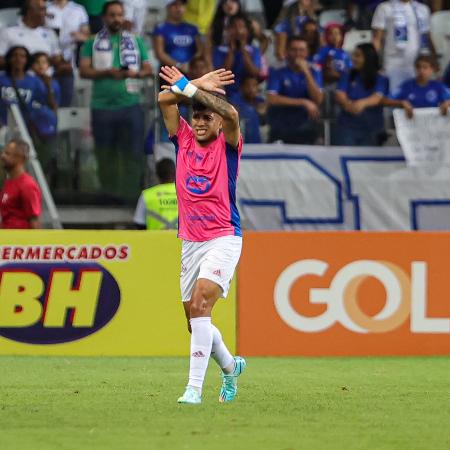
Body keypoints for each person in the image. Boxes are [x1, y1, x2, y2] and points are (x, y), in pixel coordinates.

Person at [158, 65, 246, 405]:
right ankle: (230, 367)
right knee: (195, 322)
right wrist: (196, 84)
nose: (199, 122)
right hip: (190, 241)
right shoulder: (182, 138)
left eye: (207, 117)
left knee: (200, 305)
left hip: (224, 236)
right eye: (196, 117)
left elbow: (232, 111)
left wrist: (189, 87)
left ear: (219, 124)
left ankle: (193, 390)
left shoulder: (228, 146)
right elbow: (165, 100)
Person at [79, 0, 152, 203]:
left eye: (119, 14)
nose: (116, 19)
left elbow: (148, 69)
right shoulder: (91, 42)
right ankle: (108, 195)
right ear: (104, 18)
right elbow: (84, 70)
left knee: (132, 152)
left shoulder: (135, 41)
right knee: (105, 153)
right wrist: (106, 72)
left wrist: (133, 73)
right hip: (102, 106)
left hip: (130, 105)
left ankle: (130, 196)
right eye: (112, 15)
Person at [372, 0, 436, 95]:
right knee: (394, 94)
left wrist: (434, 56)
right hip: (393, 62)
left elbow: (427, 36)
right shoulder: (385, 8)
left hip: (417, 62)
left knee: (417, 95)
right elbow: (377, 39)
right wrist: (374, 62)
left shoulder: (422, 9)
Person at [267, 36, 323, 144]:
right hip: (281, 122)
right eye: (294, 50)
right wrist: (303, 102)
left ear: (307, 52)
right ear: (287, 51)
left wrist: (306, 72)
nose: (298, 54)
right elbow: (272, 99)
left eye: (301, 50)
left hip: (306, 124)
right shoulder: (277, 69)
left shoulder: (315, 70)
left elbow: (318, 99)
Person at [0, 0, 72, 80]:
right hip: (19, 80)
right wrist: (24, 64)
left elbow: (57, 57)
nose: (45, 13)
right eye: (42, 9)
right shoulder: (8, 32)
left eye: (45, 9)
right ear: (30, 11)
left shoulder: (50, 34)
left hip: (44, 80)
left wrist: (60, 63)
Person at [333, 43, 389, 146]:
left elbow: (377, 97)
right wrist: (348, 105)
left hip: (371, 129)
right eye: (354, 55)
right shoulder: (348, 74)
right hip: (347, 128)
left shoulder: (380, 77)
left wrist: (361, 103)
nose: (353, 58)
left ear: (368, 58)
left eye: (358, 56)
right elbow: (339, 94)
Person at [46, 0, 90, 105]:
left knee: (66, 100)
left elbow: (86, 36)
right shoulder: (45, 7)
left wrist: (81, 36)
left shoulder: (79, 9)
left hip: (69, 62)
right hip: (47, 61)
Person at [212, 14, 264, 97]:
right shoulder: (219, 50)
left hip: (245, 95)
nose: (238, 30)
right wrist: (231, 51)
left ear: (248, 31)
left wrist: (243, 49)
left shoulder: (254, 50)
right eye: (233, 27)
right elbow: (220, 75)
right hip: (224, 93)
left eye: (241, 27)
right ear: (227, 30)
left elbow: (254, 73)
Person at [383, 54, 450, 117]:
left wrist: (447, 103)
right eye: (418, 67)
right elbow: (385, 101)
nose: (421, 71)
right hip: (412, 127)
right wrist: (401, 103)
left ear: (432, 69)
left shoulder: (438, 86)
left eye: (425, 67)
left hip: (433, 127)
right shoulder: (406, 86)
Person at [153, 0, 203, 75]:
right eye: (174, 5)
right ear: (168, 7)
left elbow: (200, 51)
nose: (178, 8)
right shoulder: (161, 28)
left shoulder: (193, 28)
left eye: (182, 4)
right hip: (169, 74)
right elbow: (159, 53)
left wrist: (190, 64)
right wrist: (179, 65)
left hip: (191, 73)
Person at [0, 139, 41, 229]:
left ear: (20, 158)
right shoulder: (8, 182)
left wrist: (36, 242)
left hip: (20, 241)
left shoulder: (27, 185)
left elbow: (34, 220)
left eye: (7, 154)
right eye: (3, 153)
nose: (2, 156)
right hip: (7, 241)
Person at [133, 158, 177, 230]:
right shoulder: (187, 194)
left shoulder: (147, 195)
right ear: (175, 173)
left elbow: (139, 224)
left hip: (155, 240)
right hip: (180, 240)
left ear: (157, 175)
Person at [232, 76, 266, 143]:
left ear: (258, 88)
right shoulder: (235, 101)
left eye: (254, 85)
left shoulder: (261, 101)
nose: (251, 89)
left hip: (258, 143)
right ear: (241, 88)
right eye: (248, 86)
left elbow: (263, 115)